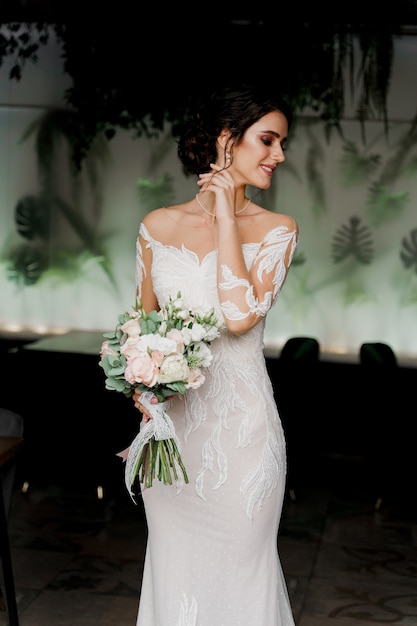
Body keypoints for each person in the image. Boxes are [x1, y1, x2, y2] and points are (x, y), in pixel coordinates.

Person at [131, 83, 299, 626]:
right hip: (175, 439)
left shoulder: (278, 231)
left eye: (281, 143)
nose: (279, 155)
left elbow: (238, 316)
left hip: (245, 438)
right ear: (227, 141)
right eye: (267, 140)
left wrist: (228, 216)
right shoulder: (156, 227)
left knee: (243, 580)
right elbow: (142, 325)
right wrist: (142, 384)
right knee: (174, 574)